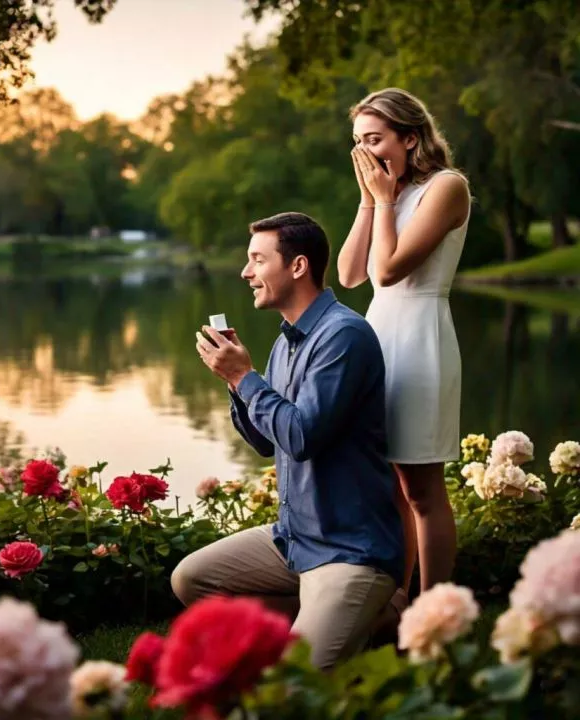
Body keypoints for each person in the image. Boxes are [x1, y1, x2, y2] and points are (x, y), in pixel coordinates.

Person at [171, 211, 404, 671]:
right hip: (295, 541)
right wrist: (237, 382)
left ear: (297, 266)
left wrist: (244, 376)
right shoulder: (288, 342)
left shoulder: (343, 336)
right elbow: (265, 442)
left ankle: (371, 614)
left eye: (258, 260)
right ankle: (337, 626)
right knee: (192, 580)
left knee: (292, 687)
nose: (246, 272)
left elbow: (301, 438)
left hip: (349, 551)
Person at [337, 88, 471, 628]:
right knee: (388, 483)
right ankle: (397, 602)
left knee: (421, 487)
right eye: (358, 143)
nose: (365, 153)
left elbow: (389, 270)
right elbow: (349, 276)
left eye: (375, 139)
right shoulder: (385, 192)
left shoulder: (447, 187)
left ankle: (436, 612)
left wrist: (385, 200)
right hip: (378, 335)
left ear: (410, 137)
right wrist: (371, 199)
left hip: (420, 335)